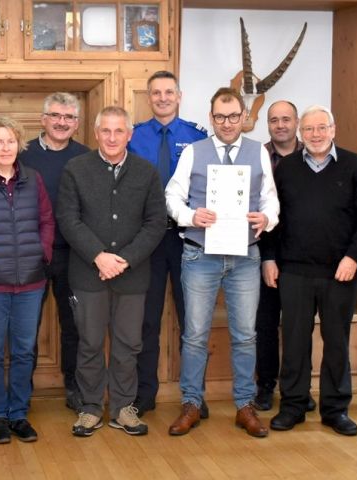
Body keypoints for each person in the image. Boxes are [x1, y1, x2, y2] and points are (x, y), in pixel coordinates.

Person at [166, 87, 279, 438]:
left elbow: (270, 199)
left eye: (233, 116)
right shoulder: (193, 152)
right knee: (195, 334)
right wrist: (189, 215)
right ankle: (192, 404)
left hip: (245, 256)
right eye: (219, 116)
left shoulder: (257, 152)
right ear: (211, 117)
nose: (227, 123)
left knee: (245, 336)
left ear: (244, 117)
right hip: (200, 255)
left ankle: (244, 406)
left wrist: (267, 219)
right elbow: (172, 195)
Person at [267, 105, 357, 437]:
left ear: (333, 129)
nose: (315, 135)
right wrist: (269, 258)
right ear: (301, 134)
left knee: (337, 342)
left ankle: (335, 409)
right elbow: (273, 219)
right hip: (294, 271)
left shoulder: (354, 165)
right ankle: (293, 405)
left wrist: (353, 258)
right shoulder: (286, 169)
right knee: (294, 341)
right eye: (309, 129)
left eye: (322, 128)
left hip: (340, 272)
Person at [56, 106, 167, 437]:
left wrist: (125, 259)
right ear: (96, 133)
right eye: (106, 131)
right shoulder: (76, 169)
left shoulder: (146, 172)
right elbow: (68, 219)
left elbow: (156, 222)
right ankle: (90, 408)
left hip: (132, 276)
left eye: (119, 131)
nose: (112, 137)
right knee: (89, 343)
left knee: (128, 345)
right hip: (88, 274)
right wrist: (98, 256)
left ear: (129, 135)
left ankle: (123, 409)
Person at [127, 70, 208, 417]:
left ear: (179, 95)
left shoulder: (197, 137)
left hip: (187, 239)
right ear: (149, 97)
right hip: (148, 241)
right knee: (147, 319)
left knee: (194, 320)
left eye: (168, 92)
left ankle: (195, 397)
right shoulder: (134, 137)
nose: (162, 97)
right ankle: (145, 394)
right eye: (156, 92)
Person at [0, 116, 54, 444]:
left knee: (23, 350)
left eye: (10, 141)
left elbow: (47, 219)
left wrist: (42, 253)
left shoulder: (34, 179)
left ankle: (19, 414)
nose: (5, 147)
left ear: (19, 145)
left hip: (31, 282)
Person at [18, 92, 89, 412]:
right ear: (43, 119)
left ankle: (74, 385)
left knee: (75, 323)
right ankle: (21, 389)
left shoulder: (88, 157)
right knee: (25, 324)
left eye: (69, 117)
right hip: (29, 253)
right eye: (56, 116)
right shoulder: (21, 154)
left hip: (73, 255)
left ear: (77, 123)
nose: (62, 122)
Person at [253, 100, 312, 412]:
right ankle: (265, 385)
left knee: (299, 326)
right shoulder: (259, 157)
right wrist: (267, 257)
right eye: (274, 120)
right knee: (265, 324)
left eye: (286, 119)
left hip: (305, 258)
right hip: (268, 255)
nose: (280, 125)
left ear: (296, 121)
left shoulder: (315, 155)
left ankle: (299, 386)